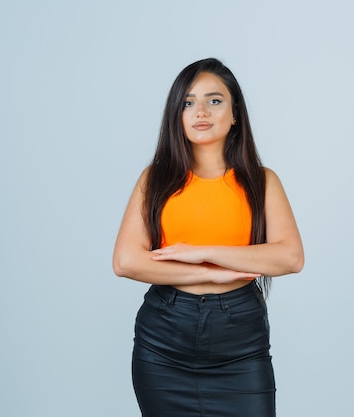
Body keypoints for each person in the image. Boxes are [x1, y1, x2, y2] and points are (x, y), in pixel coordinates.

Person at [112, 58, 304, 417]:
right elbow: (125, 262)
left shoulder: (262, 182)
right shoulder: (154, 180)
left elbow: (290, 257)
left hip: (240, 342)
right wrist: (209, 272)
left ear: (235, 115)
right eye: (188, 102)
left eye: (214, 101)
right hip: (164, 341)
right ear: (177, 115)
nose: (200, 111)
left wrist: (200, 252)